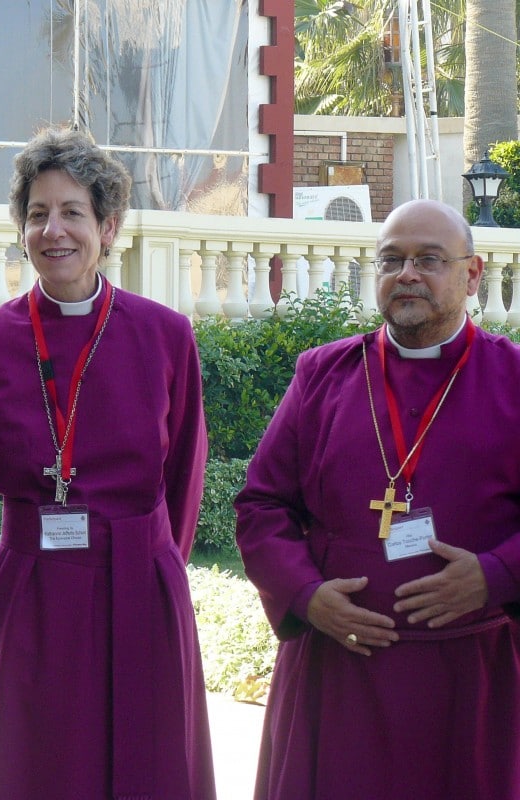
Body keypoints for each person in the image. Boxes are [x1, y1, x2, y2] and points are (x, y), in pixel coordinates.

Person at [0, 125, 217, 800]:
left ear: (108, 228)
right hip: (31, 605)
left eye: (73, 212)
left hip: (142, 597)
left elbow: (182, 484)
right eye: (38, 213)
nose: (55, 230)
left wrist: (155, 571)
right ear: (22, 228)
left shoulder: (166, 336)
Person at [235, 198, 520, 799]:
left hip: (472, 675)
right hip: (337, 673)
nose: (407, 274)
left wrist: (496, 575)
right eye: (391, 260)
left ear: (472, 274)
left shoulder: (513, 379)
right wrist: (307, 596)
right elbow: (261, 505)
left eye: (429, 259)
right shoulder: (324, 374)